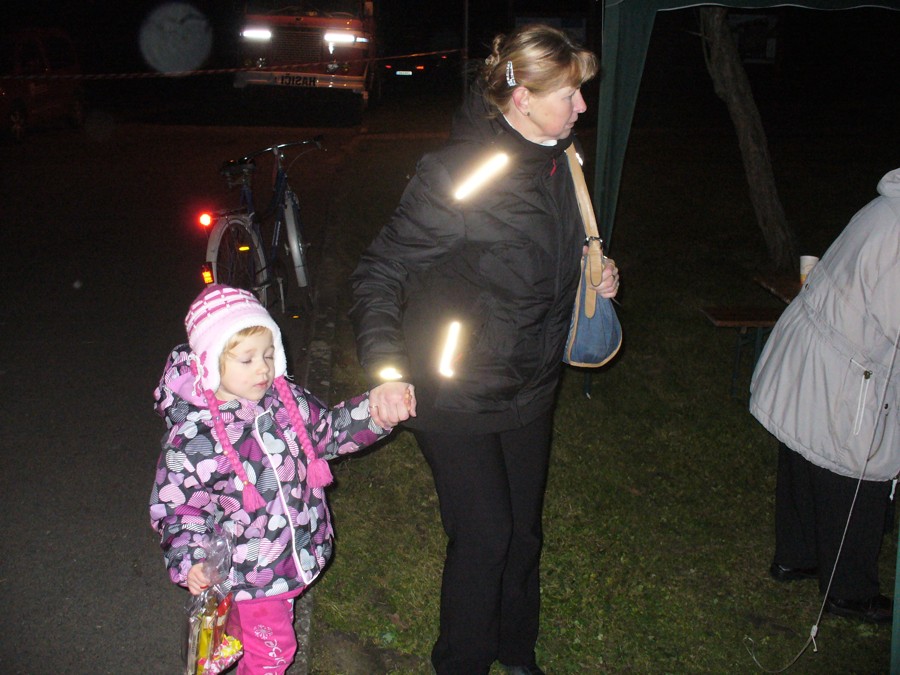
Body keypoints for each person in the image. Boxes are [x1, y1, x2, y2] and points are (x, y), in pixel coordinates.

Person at [349, 24, 619, 675]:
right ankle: (462, 663)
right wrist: (386, 370)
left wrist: (597, 273)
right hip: (452, 390)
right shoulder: (461, 174)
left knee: (524, 532)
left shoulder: (562, 161)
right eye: (568, 94)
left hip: (531, 381)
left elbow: (548, 255)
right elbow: (379, 272)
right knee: (486, 536)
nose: (582, 106)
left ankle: (516, 650)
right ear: (522, 97)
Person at [149, 284, 413, 673]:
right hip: (251, 576)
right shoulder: (193, 441)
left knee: (248, 640)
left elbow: (328, 431)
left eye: (269, 353)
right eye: (247, 359)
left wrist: (375, 412)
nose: (263, 368)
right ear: (209, 363)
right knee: (273, 656)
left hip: (290, 558)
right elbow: (179, 510)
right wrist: (191, 559)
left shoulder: (285, 401)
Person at [749, 167, 900, 624]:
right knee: (856, 472)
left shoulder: (888, 207)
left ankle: (797, 557)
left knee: (807, 451)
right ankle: (848, 591)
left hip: (816, 347)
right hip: (841, 361)